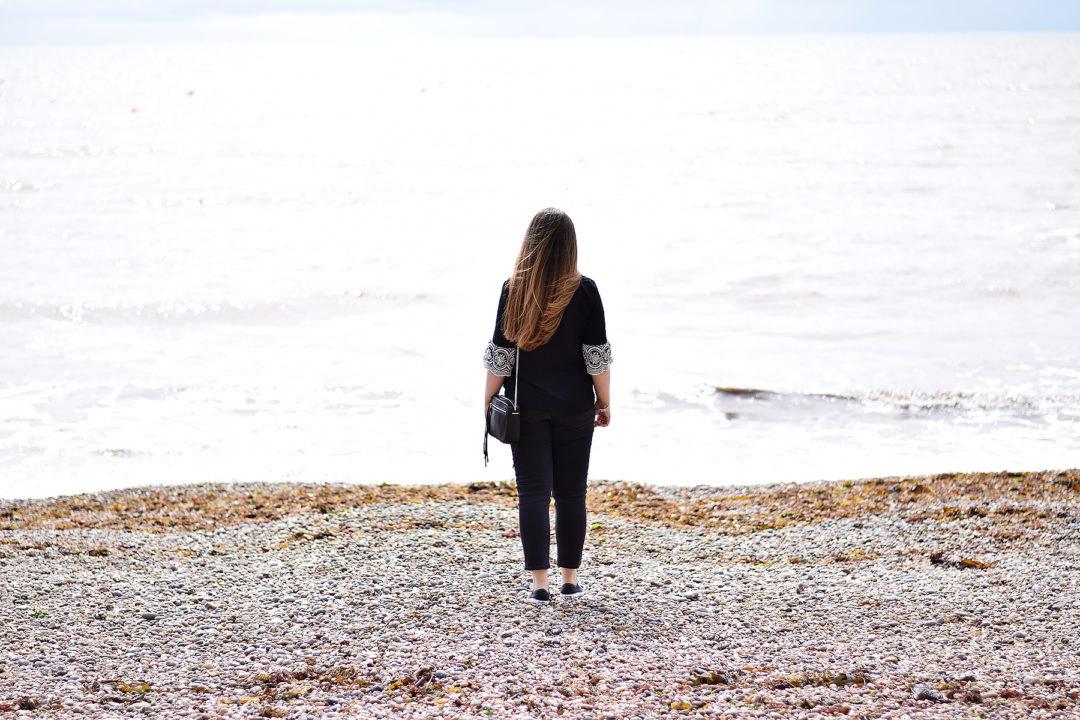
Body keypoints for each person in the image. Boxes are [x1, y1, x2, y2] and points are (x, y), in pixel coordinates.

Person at [483, 207, 613, 606]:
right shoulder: (586, 290)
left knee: (534, 494)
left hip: (527, 408)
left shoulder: (514, 289)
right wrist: (604, 402)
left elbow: (500, 356)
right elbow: (597, 356)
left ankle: (539, 585)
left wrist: (487, 400)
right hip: (575, 407)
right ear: (570, 246)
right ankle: (570, 581)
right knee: (572, 494)